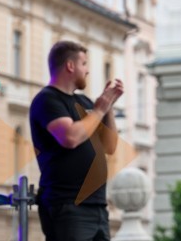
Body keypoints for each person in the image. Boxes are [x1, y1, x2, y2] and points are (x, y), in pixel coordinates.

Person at [30, 41, 124, 241]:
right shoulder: (47, 99)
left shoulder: (85, 102)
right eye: (84, 64)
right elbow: (70, 137)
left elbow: (109, 146)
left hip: (97, 205)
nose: (87, 71)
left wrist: (108, 108)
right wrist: (99, 109)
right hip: (68, 204)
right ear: (70, 66)